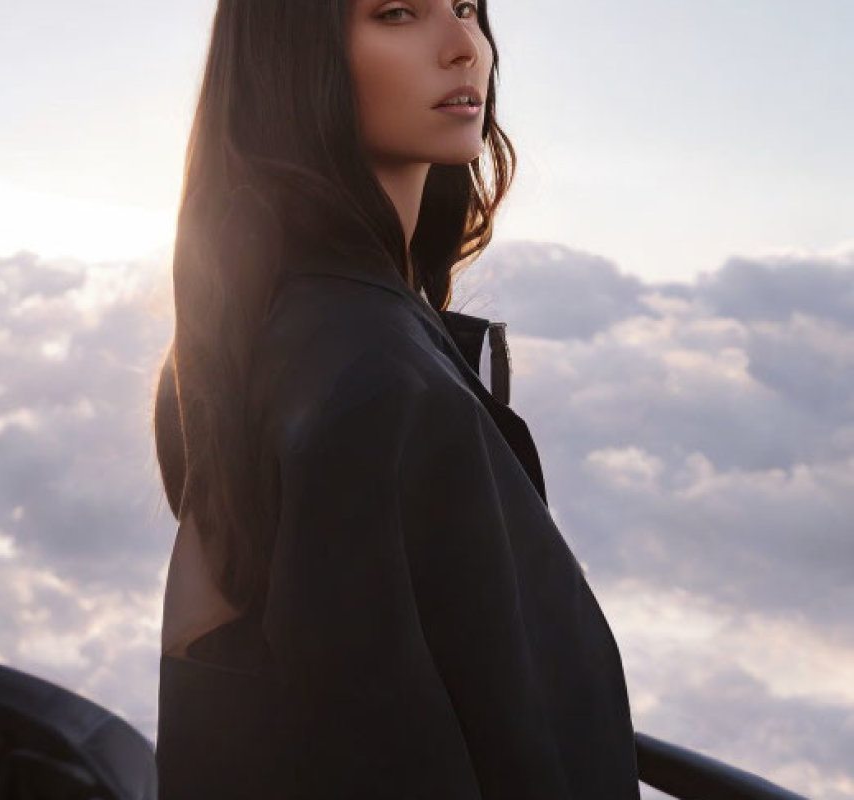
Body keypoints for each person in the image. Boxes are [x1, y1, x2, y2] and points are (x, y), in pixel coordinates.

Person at [152, 0, 642, 797]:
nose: (464, 49)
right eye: (398, 12)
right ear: (293, 59)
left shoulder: (269, 337)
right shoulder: (372, 386)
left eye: (467, 8)